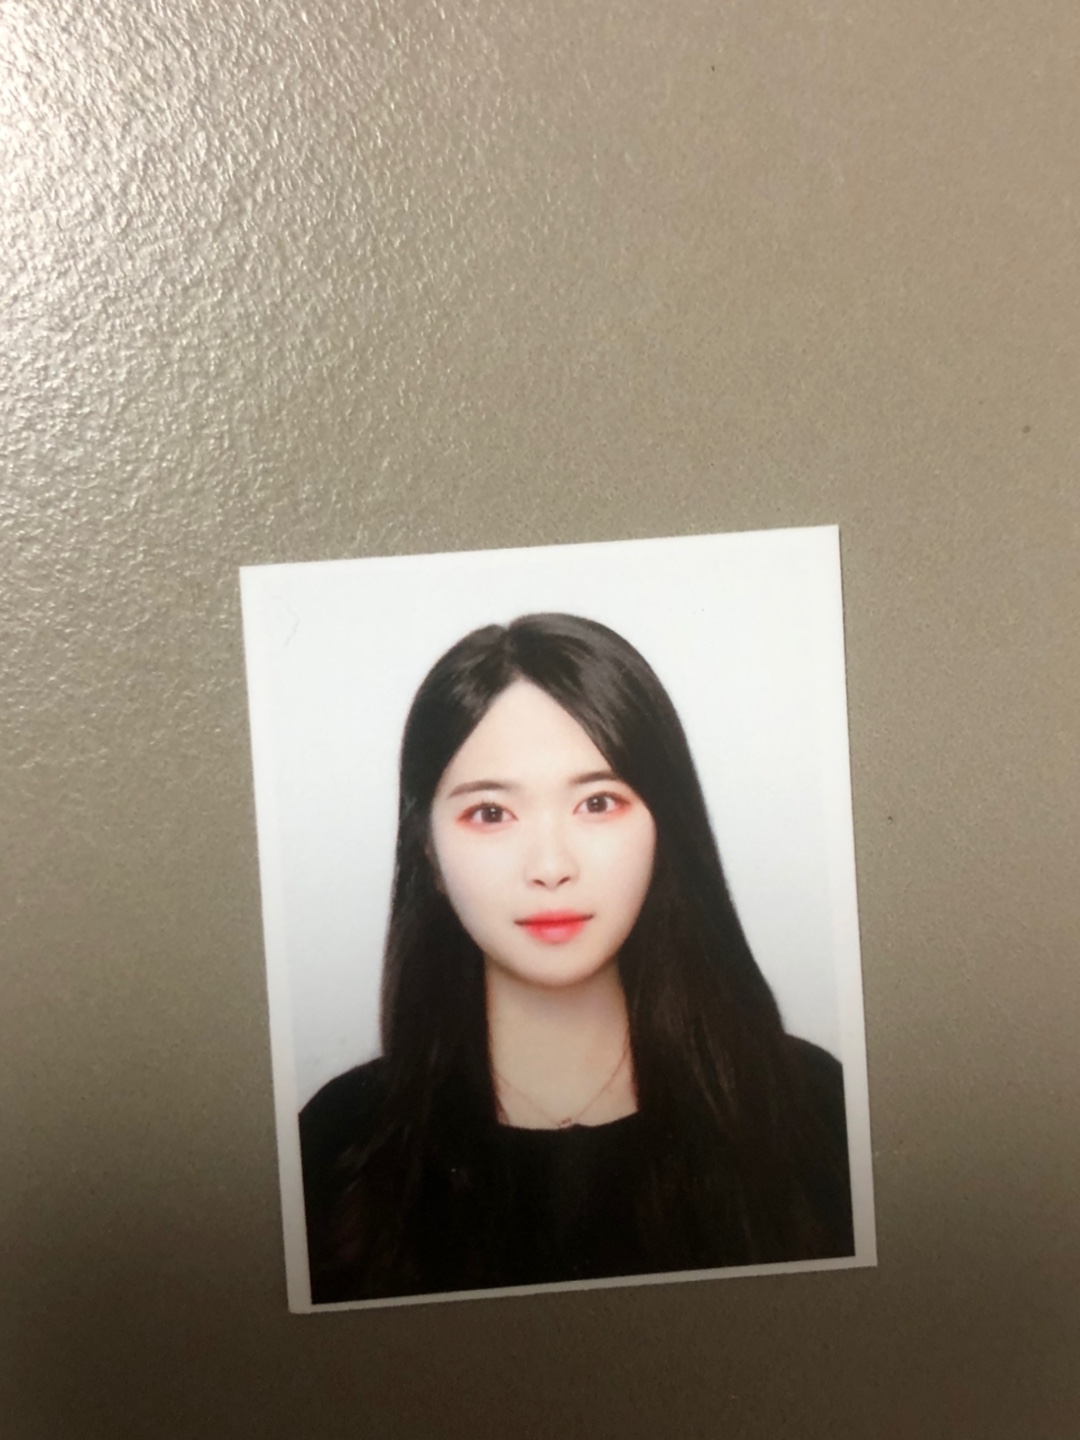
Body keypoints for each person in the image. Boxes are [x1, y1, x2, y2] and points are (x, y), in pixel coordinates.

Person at [300, 613, 853, 1304]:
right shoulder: (336, 1145)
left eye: (597, 802)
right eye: (491, 813)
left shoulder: (815, 1110)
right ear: (429, 855)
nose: (551, 866)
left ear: (664, 828)